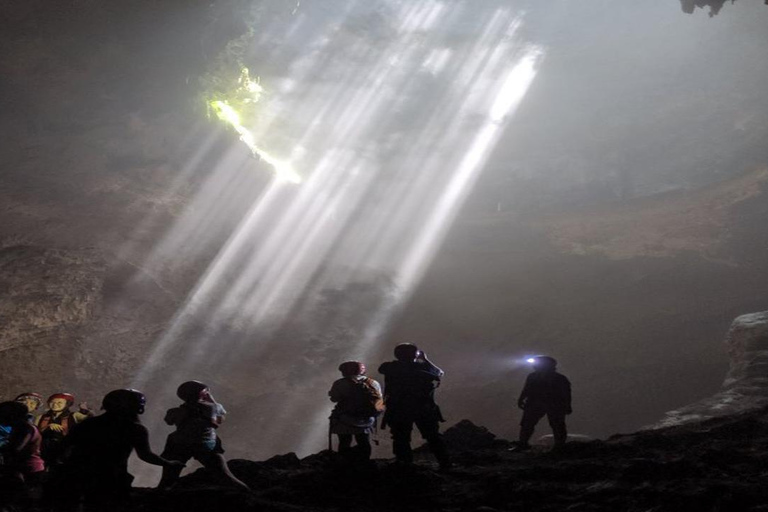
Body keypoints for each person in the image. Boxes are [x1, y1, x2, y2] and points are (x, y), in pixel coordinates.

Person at [56, 389, 183, 510]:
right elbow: (145, 455)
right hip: (111, 477)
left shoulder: (89, 423)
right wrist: (168, 464)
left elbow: (64, 445)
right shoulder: (135, 429)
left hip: (77, 473)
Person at [157, 381, 249, 491]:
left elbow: (169, 422)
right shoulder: (213, 408)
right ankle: (247, 493)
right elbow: (220, 420)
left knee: (168, 479)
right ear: (203, 394)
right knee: (225, 477)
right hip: (206, 445)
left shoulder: (174, 411)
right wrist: (211, 400)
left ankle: (157, 499)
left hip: (180, 444)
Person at [378, 343, 450, 469]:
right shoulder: (422, 367)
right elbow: (439, 373)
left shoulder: (389, 367)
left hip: (398, 408)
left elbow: (381, 369)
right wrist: (425, 359)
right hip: (423, 408)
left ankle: (404, 464)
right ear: (415, 354)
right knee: (433, 436)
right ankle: (444, 462)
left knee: (401, 437)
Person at [328, 361, 383, 464]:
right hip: (367, 419)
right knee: (364, 442)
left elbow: (334, 399)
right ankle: (364, 462)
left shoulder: (340, 383)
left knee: (344, 442)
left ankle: (344, 464)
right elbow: (379, 402)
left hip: (345, 418)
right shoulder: (373, 383)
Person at [515, 355, 572, 450]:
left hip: (549, 403)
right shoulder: (558, 378)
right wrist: (521, 398)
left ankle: (559, 446)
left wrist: (521, 399)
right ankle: (523, 443)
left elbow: (566, 393)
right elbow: (527, 389)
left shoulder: (558, 378)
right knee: (528, 424)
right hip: (545, 403)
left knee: (556, 425)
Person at [0, 401, 45, 509]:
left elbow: (15, 449)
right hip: (23, 468)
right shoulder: (19, 427)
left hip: (29, 469)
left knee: (19, 501)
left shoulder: (25, 428)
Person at [37, 393, 93, 467]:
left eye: (59, 402)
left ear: (67, 404)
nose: (55, 404)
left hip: (66, 449)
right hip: (43, 448)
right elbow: (35, 432)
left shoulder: (74, 415)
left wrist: (84, 410)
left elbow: (89, 420)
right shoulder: (41, 417)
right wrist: (47, 427)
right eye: (52, 402)